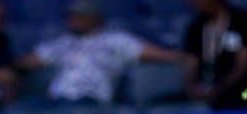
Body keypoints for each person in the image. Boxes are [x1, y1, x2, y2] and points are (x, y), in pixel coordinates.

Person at [17, 0, 186, 107]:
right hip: (57, 100)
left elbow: (156, 54)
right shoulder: (63, 43)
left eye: (80, 16)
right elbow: (28, 61)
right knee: (24, 108)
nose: (73, 20)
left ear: (96, 18)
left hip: (90, 100)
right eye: (72, 16)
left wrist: (185, 57)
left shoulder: (115, 40)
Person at [182, 0, 247, 110]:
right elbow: (191, 64)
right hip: (203, 96)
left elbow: (242, 65)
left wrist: (219, 89)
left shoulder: (242, 21)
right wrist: (191, 87)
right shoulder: (195, 27)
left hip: (237, 95)